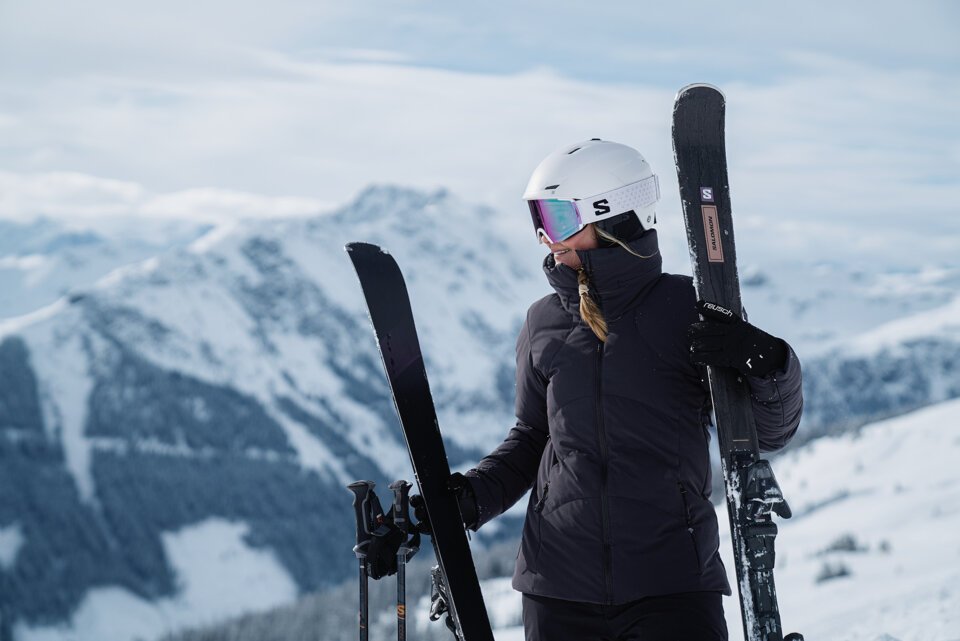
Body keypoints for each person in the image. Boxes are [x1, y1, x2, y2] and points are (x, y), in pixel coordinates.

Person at [415, 139, 803, 641]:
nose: (542, 237)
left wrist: (767, 361)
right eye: (536, 218)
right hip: (557, 586)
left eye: (554, 218)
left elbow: (769, 433)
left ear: (609, 216)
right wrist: (471, 498)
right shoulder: (543, 321)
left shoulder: (689, 308)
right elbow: (533, 438)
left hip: (672, 584)